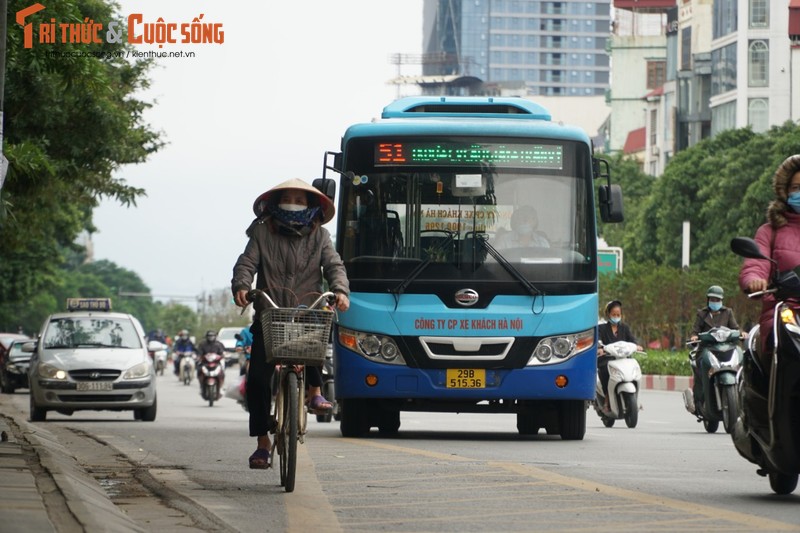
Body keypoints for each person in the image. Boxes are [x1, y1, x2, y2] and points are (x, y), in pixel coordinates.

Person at [231, 178, 350, 470]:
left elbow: (334, 265)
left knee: (319, 327)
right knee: (258, 381)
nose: (293, 204)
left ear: (310, 205)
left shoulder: (320, 236)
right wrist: (242, 286)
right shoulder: (261, 231)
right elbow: (247, 263)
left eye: (300, 200)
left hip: (306, 309)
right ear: (276, 202)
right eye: (289, 198)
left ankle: (314, 391)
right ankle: (262, 442)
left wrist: (341, 290)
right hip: (270, 313)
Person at [740, 155, 800, 373]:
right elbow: (756, 263)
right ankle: (779, 405)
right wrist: (755, 280)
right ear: (785, 191)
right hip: (784, 312)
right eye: (795, 187)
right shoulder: (770, 232)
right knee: (782, 351)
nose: (799, 192)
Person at [687, 285, 740, 412]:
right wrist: (694, 337)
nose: (715, 302)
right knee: (700, 370)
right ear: (708, 300)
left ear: (721, 301)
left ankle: (741, 398)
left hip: (725, 348)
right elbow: (695, 331)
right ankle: (698, 401)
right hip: (706, 350)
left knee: (740, 366)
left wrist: (741, 333)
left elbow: (735, 328)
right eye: (712, 299)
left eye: (717, 300)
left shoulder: (728, 312)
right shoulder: (702, 314)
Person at [597, 300, 642, 411]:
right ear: (608, 314)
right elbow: (598, 341)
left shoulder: (624, 328)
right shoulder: (601, 328)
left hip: (623, 360)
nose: (616, 317)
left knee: (634, 369)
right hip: (606, 359)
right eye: (614, 314)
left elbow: (632, 340)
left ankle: (636, 399)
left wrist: (637, 346)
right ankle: (607, 398)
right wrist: (599, 348)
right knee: (605, 371)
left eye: (618, 314)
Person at [196, 329, 226, 398]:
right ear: (206, 337)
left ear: (215, 336)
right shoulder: (202, 344)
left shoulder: (219, 344)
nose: (211, 337)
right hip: (205, 363)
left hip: (216, 363)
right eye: (209, 336)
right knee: (199, 370)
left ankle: (221, 387)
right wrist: (198, 357)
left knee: (222, 373)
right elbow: (199, 353)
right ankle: (201, 386)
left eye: (212, 336)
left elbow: (222, 352)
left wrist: (223, 356)